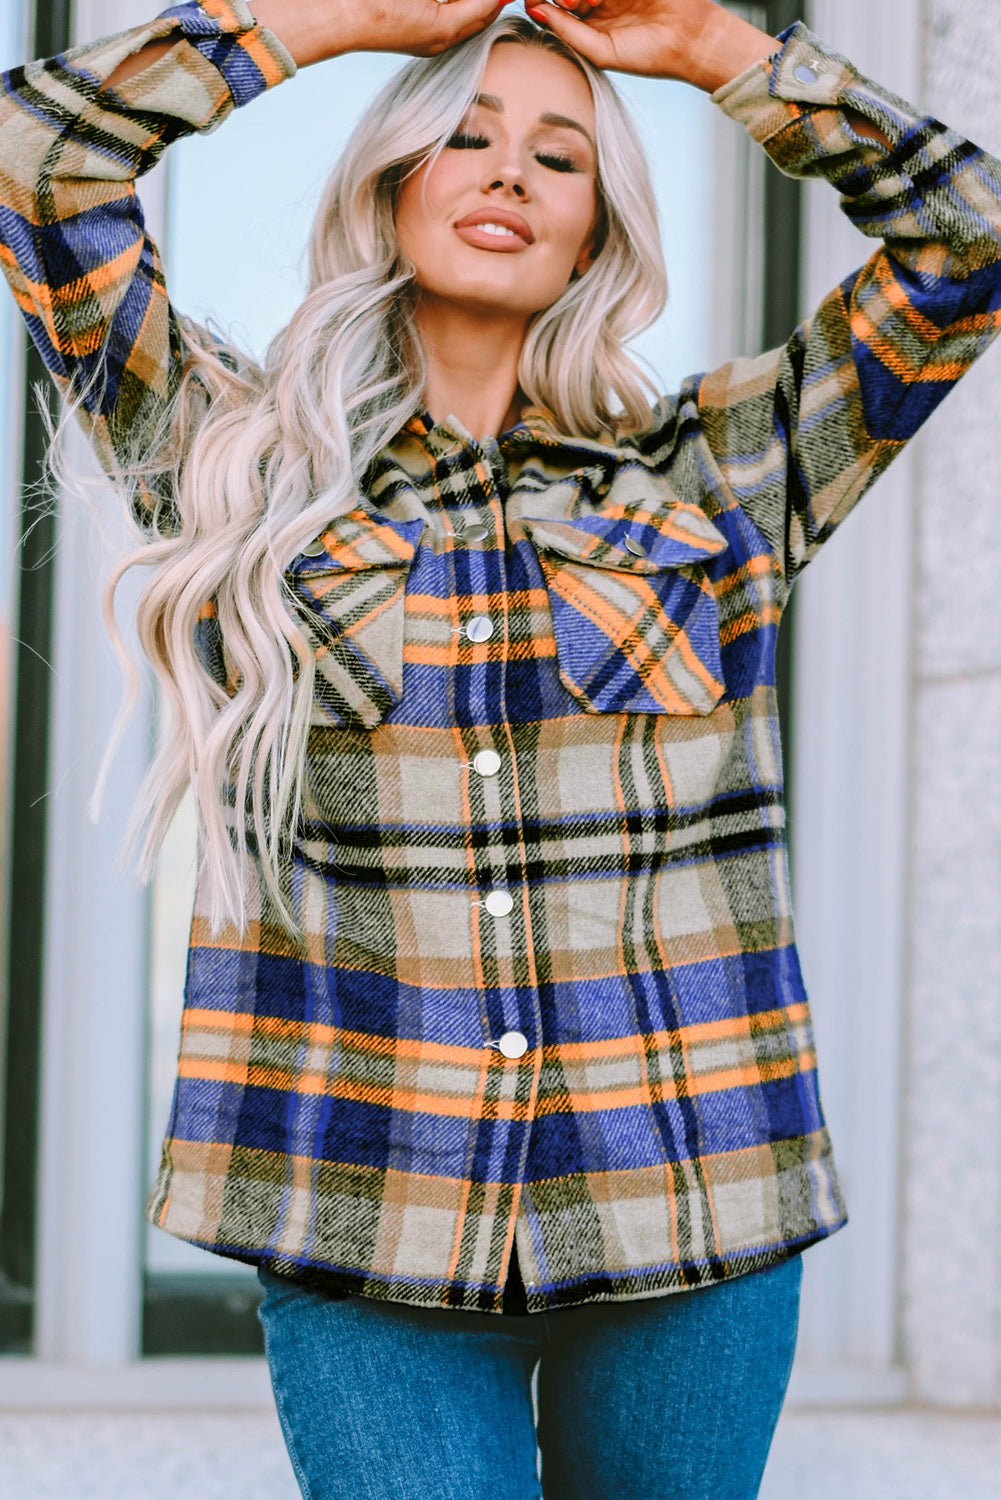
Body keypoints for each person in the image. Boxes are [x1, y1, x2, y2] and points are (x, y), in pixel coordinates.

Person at [2, 0, 1000, 1495]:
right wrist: (331, 23)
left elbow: (965, 247)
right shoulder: (237, 461)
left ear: (599, 231)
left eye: (561, 155)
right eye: (464, 132)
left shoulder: (719, 473)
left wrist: (718, 55)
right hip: (356, 1209)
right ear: (389, 178)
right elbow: (38, 167)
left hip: (690, 1201)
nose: (508, 173)